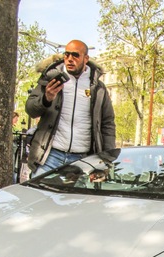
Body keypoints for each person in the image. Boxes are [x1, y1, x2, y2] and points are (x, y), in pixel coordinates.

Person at [26, 39, 116, 175]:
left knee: (75, 197)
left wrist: (106, 159)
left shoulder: (98, 88)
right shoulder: (51, 78)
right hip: (49, 156)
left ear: (86, 58)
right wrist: (46, 99)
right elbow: (30, 109)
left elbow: (107, 123)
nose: (69, 59)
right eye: (66, 55)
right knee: (42, 196)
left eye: (75, 55)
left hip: (81, 160)